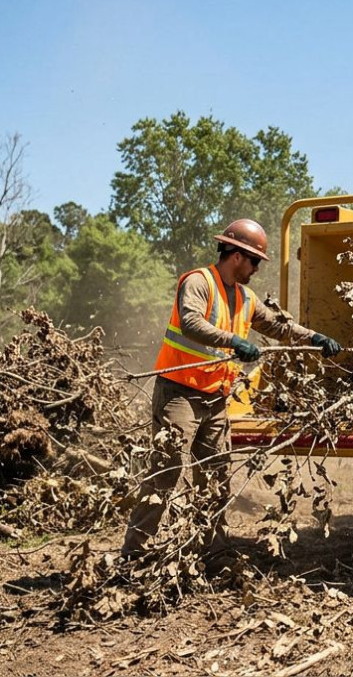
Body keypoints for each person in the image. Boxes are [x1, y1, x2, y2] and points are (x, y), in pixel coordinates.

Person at [121, 218, 341, 559]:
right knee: (167, 470)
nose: (256, 269)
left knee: (216, 475)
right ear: (237, 255)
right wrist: (234, 341)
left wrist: (315, 339)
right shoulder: (198, 282)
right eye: (254, 261)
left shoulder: (245, 297)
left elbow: (278, 327)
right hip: (180, 393)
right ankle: (134, 552)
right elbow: (192, 322)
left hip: (215, 399)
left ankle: (209, 550)